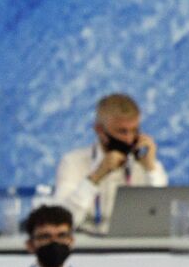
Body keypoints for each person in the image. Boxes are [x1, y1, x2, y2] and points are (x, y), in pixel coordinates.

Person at [54, 93, 168, 233]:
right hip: (86, 248)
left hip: (134, 246)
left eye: (134, 131)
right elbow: (61, 223)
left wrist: (151, 169)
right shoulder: (73, 162)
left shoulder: (146, 164)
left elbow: (162, 217)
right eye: (122, 131)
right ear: (99, 130)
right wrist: (96, 177)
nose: (129, 139)